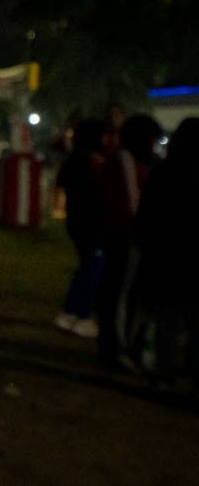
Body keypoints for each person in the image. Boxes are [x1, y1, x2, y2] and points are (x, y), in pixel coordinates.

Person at [136, 118, 199, 390]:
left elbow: (147, 217)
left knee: (168, 320)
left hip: (166, 258)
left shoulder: (162, 173)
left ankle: (164, 373)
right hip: (193, 259)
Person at [96, 113, 162, 368]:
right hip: (124, 236)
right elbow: (131, 202)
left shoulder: (129, 160)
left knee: (121, 294)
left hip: (124, 235)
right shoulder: (125, 160)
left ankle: (115, 346)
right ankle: (116, 350)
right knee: (119, 296)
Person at [53, 118, 108, 338]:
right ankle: (82, 316)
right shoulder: (92, 162)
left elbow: (61, 185)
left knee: (85, 267)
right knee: (92, 269)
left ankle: (69, 312)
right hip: (91, 223)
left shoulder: (73, 159)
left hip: (76, 222)